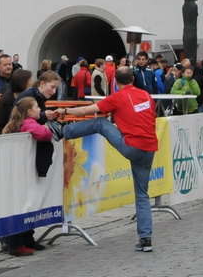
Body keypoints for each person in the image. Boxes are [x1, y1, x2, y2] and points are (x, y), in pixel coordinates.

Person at [63, 66, 161, 251]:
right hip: (150, 147)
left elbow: (86, 112)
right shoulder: (147, 95)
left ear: (115, 81)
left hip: (132, 146)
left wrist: (64, 111)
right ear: (133, 79)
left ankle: (63, 131)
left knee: (100, 122)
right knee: (142, 195)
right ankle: (145, 239)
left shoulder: (118, 96)